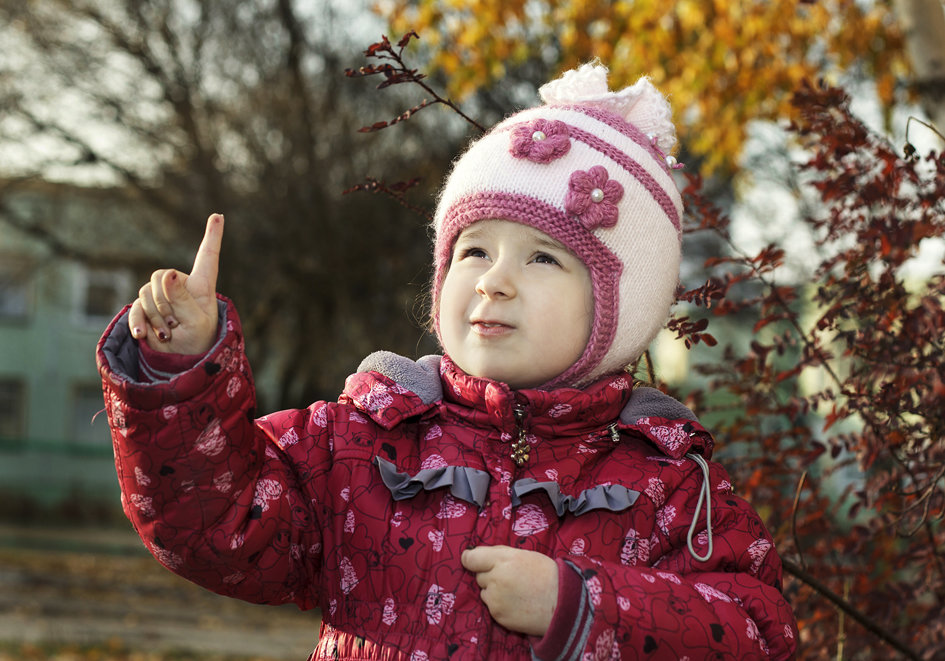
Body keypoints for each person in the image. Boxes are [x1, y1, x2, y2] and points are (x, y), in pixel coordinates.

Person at [97, 63, 798, 660]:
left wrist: (581, 606)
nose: (493, 279)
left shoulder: (666, 484)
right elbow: (218, 527)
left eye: (543, 256)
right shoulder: (363, 441)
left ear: (620, 309)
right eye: (473, 249)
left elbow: (756, 633)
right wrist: (179, 373)